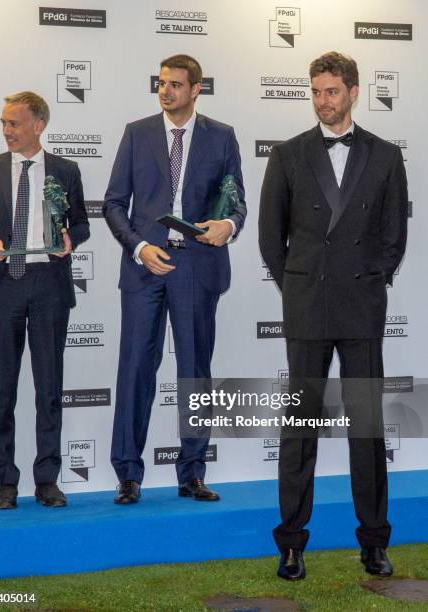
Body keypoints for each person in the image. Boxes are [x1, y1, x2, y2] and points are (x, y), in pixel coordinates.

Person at [259, 52, 408, 580]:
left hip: (361, 308)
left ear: (353, 92)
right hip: (307, 308)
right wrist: (297, 286)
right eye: (316, 92)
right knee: (300, 428)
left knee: (366, 430)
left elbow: (395, 238)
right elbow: (270, 238)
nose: (323, 101)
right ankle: (292, 544)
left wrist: (368, 281)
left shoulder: (387, 157)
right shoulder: (289, 154)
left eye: (332, 92)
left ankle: (373, 542)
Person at [104, 54, 246, 504]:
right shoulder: (136, 133)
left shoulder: (221, 137)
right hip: (146, 266)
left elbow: (236, 201)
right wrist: (140, 248)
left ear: (195, 89)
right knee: (136, 369)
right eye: (161, 83)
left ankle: (193, 474)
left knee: (195, 372)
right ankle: (128, 474)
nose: (166, 91)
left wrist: (230, 225)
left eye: (176, 85)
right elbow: (112, 204)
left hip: (197, 266)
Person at [0, 91, 90, 509]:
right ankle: (5, 482)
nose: (6, 130)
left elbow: (81, 223)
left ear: (38, 125)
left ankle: (47, 480)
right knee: (2, 389)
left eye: (14, 123)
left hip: (49, 287)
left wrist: (70, 239)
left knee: (49, 389)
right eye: (3, 122)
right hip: (3, 287)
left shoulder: (66, 169)